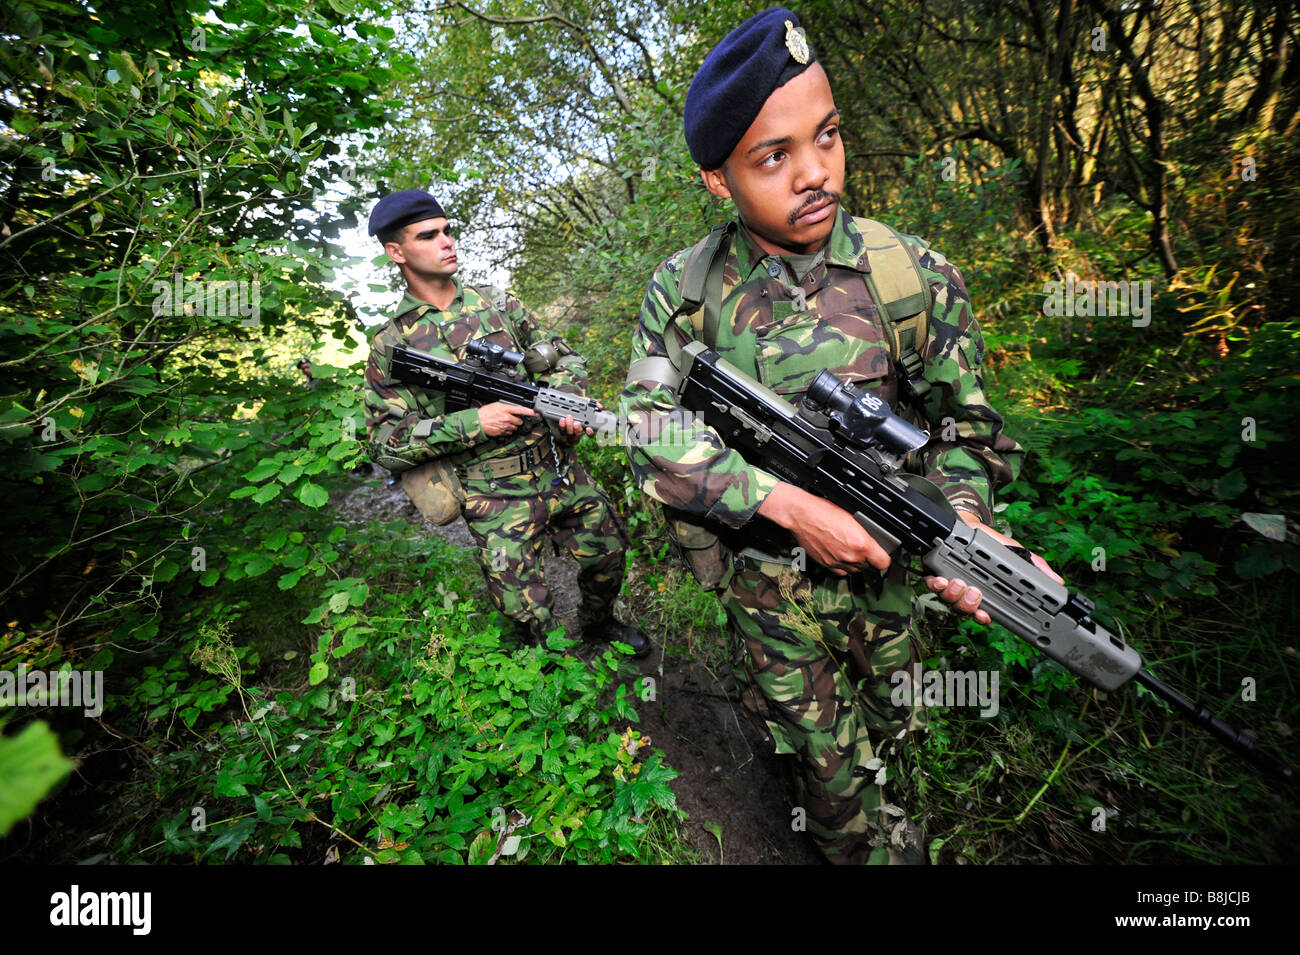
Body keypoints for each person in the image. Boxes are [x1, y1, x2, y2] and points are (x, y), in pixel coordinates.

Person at [620, 8, 1060, 863]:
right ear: (718, 181)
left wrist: (965, 527)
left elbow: (967, 429)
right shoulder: (683, 291)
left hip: (891, 589)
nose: (816, 173)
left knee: (896, 736)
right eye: (774, 157)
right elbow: (645, 430)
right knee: (826, 774)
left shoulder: (911, 275)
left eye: (827, 135)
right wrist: (783, 504)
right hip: (765, 589)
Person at [365, 190, 648, 657]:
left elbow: (565, 356)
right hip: (490, 494)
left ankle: (599, 625)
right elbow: (383, 443)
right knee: (523, 606)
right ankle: (547, 663)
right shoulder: (391, 345)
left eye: (448, 230)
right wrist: (472, 423)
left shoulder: (498, 304)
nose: (447, 242)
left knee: (608, 556)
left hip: (557, 469)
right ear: (396, 252)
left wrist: (568, 399)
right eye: (429, 235)